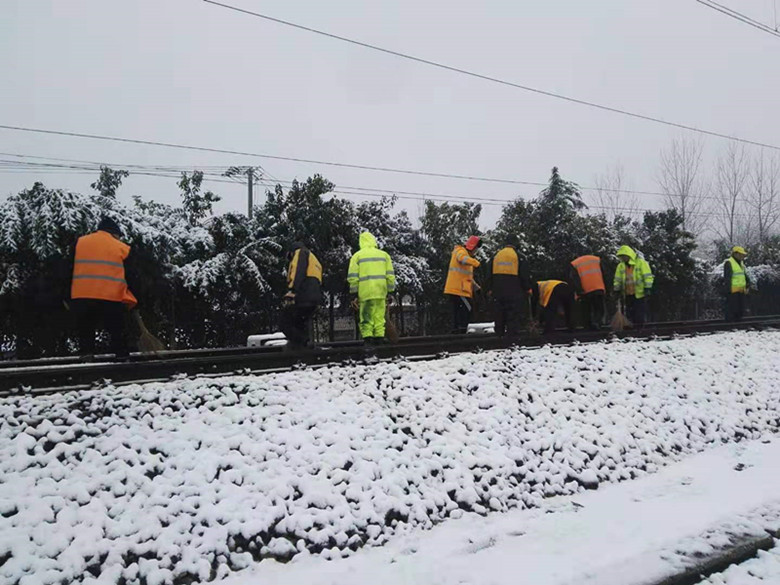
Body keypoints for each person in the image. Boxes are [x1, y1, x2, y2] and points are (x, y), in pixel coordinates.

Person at [70, 217, 137, 358]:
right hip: (111, 296)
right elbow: (130, 275)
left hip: (82, 296)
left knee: (86, 329)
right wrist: (132, 297)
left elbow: (67, 268)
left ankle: (86, 358)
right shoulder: (122, 247)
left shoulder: (80, 242)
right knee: (116, 330)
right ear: (114, 233)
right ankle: (122, 358)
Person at [347, 231, 395, 344]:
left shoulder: (357, 256)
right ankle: (379, 341)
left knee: (366, 319)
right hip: (380, 293)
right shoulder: (384, 255)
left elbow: (353, 277)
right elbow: (390, 276)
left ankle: (368, 342)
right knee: (379, 318)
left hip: (365, 293)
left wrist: (354, 294)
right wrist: (390, 291)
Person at [280, 240, 322, 349]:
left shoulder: (300, 252)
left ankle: (299, 342)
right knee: (301, 322)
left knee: (284, 321)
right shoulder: (313, 258)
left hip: (303, 295)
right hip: (314, 298)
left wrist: (292, 290)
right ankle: (302, 347)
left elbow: (298, 271)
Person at [489, 237, 531, 338]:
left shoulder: (496, 255)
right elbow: (523, 274)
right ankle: (511, 338)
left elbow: (488, 273)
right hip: (513, 289)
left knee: (499, 313)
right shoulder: (519, 256)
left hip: (497, 288)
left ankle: (499, 336)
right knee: (512, 313)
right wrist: (527, 288)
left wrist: (489, 288)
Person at [444, 236, 481, 334]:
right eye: (476, 248)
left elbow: (467, 277)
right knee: (466, 311)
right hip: (459, 290)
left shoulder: (462, 253)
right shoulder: (460, 251)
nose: (476, 251)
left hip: (457, 289)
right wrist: (476, 263)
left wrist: (476, 288)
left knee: (458, 313)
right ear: (472, 246)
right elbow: (462, 258)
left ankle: (457, 333)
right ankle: (461, 332)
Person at [612, 245, 653, 328]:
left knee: (639, 312)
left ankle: (639, 328)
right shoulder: (621, 266)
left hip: (639, 293)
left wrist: (647, 288)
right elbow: (618, 279)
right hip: (627, 293)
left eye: (623, 256)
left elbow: (647, 276)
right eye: (621, 257)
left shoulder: (641, 263)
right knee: (629, 312)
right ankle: (631, 328)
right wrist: (617, 290)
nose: (622, 258)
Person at [570, 254, 606, 330]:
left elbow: (574, 279)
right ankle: (597, 323)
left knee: (586, 310)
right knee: (599, 308)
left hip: (585, 290)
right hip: (598, 287)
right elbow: (604, 273)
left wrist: (579, 290)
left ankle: (587, 327)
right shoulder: (596, 259)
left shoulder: (575, 263)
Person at [724, 246, 750, 322]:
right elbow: (727, 278)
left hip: (741, 291)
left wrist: (748, 284)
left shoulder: (741, 263)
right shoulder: (729, 262)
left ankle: (738, 325)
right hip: (733, 291)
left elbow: (743, 275)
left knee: (739, 311)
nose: (743, 256)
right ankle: (731, 325)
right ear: (736, 254)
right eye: (741, 254)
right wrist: (728, 291)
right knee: (732, 311)